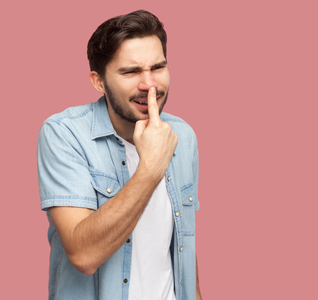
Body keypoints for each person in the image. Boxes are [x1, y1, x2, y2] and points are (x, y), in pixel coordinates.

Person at [37, 10, 202, 300]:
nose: (149, 84)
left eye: (158, 67)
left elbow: (182, 247)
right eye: (130, 72)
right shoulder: (64, 135)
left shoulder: (183, 136)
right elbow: (84, 254)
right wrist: (150, 168)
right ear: (98, 81)